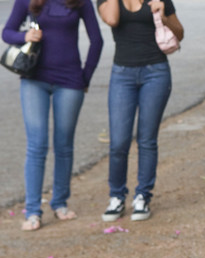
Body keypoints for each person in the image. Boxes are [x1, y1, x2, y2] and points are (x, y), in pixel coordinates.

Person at [2, 0, 103, 231]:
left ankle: (59, 203)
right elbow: (7, 32)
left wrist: (85, 77)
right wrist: (25, 36)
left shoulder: (80, 2)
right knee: (36, 145)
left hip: (70, 82)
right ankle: (33, 211)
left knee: (64, 145)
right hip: (34, 80)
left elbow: (97, 40)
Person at [96, 0, 183, 222]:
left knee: (147, 139)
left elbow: (180, 33)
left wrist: (162, 17)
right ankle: (117, 196)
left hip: (156, 72)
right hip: (122, 75)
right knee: (118, 142)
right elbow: (112, 19)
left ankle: (143, 196)